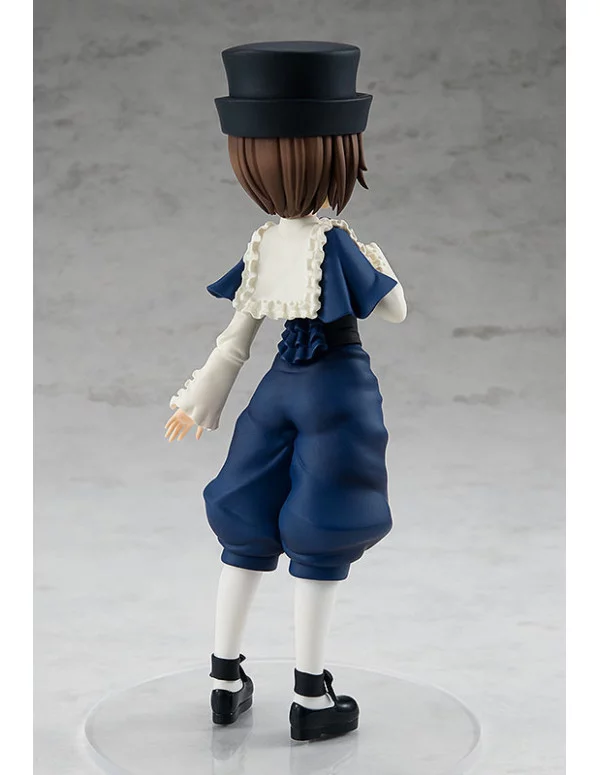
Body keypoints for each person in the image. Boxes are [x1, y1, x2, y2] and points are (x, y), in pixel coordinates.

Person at [164, 41, 407, 742]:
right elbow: (393, 310)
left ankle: (224, 679)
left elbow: (237, 335)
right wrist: (379, 260)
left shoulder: (264, 241)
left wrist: (199, 399)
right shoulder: (339, 242)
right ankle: (310, 696)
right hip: (336, 391)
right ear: (340, 155)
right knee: (322, 528)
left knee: (244, 520)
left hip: (276, 390)